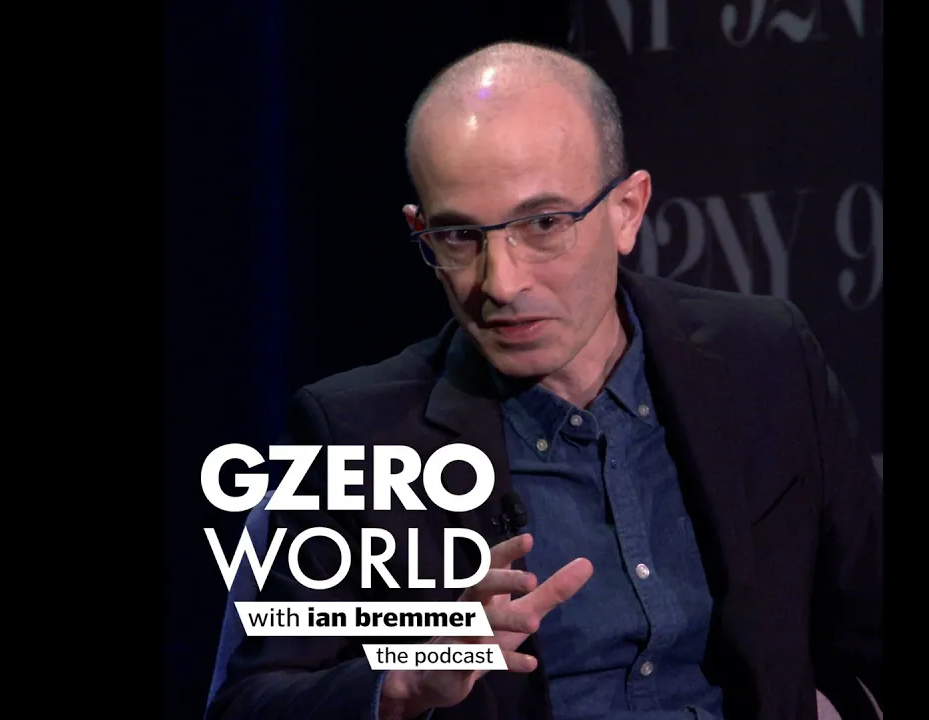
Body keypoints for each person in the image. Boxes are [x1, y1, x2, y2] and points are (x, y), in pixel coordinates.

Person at [204, 41, 883, 720]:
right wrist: (402, 684)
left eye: (544, 224)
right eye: (459, 237)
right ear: (421, 232)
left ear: (627, 210)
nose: (501, 283)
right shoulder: (359, 434)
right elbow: (248, 703)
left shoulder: (765, 360)